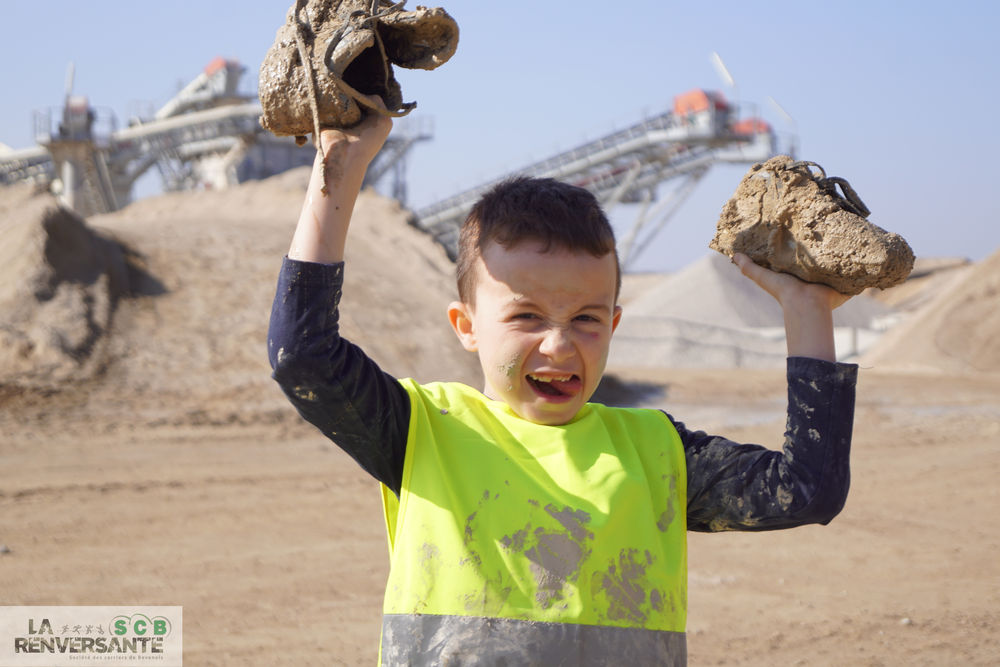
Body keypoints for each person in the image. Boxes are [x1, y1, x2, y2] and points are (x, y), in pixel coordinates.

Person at [267, 109, 857, 666]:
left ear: (614, 325)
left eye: (586, 318)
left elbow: (806, 487)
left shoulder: (656, 453)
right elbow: (304, 356)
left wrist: (808, 310)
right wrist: (338, 164)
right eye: (526, 317)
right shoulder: (424, 431)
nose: (558, 344)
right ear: (466, 328)